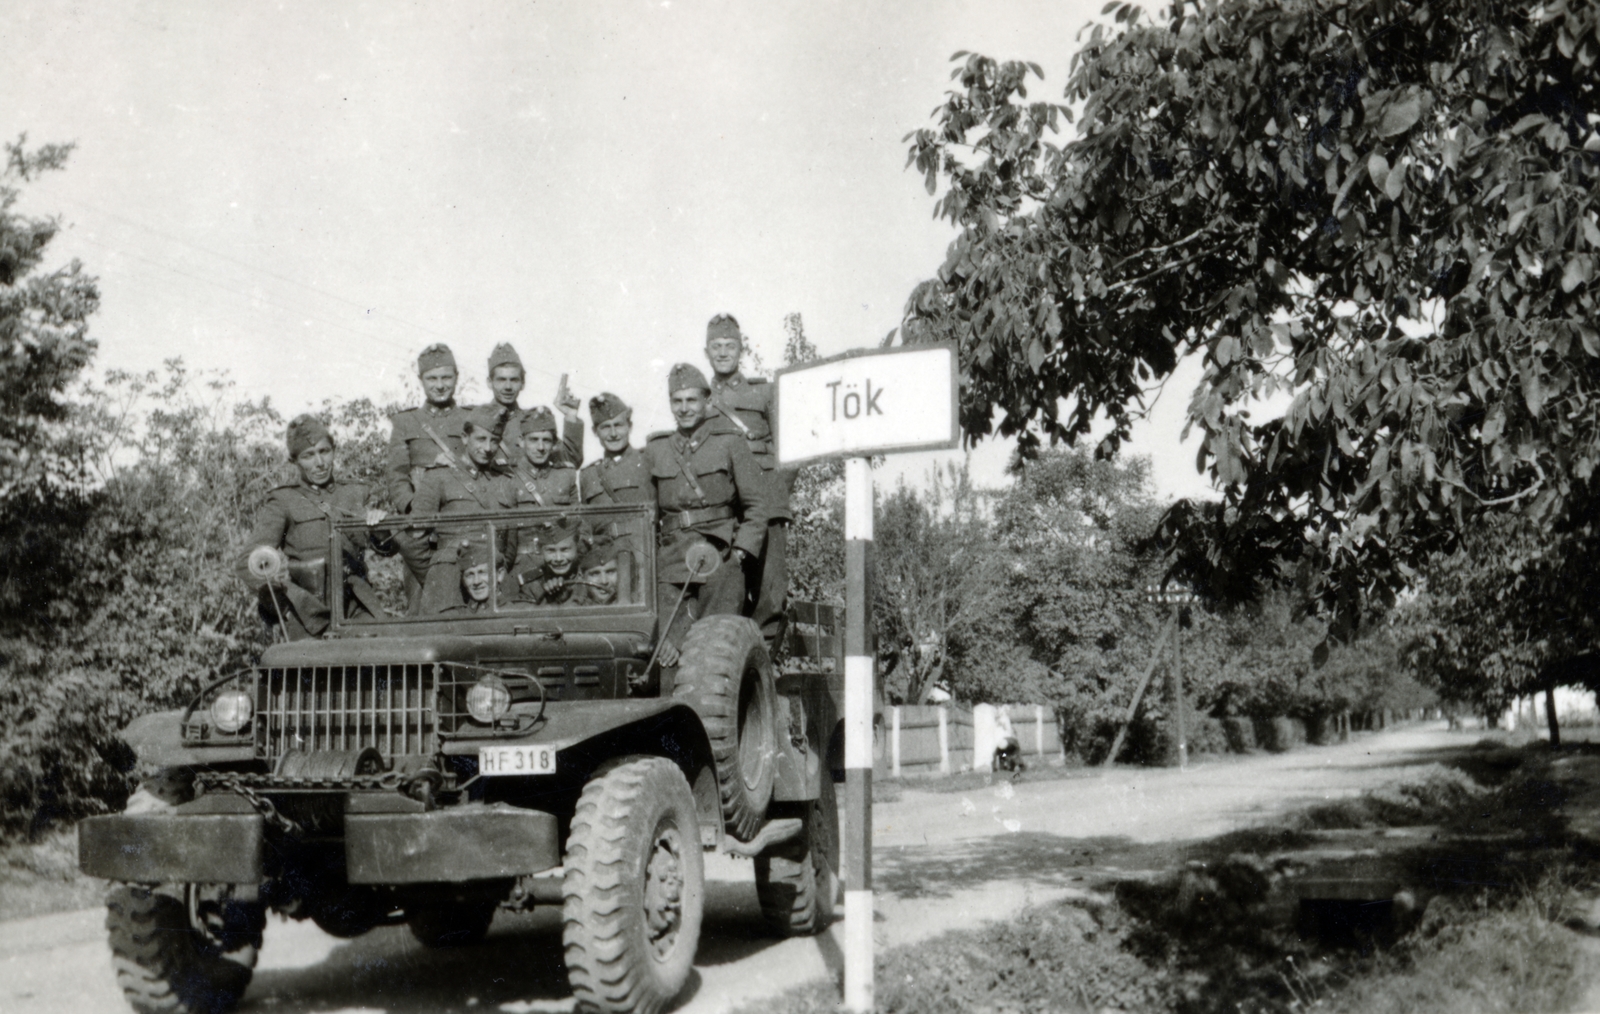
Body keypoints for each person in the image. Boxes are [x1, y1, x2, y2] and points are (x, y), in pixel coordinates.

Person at [645, 363, 773, 671]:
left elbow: (758, 504)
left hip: (721, 557)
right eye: (677, 401)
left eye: (692, 400)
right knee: (667, 652)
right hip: (671, 560)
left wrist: (741, 551)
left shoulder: (729, 442)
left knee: (716, 650)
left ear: (706, 401)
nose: (685, 408)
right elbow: (648, 514)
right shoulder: (656, 450)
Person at [237, 414, 388, 640]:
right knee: (305, 670)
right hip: (307, 614)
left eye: (324, 452)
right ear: (294, 461)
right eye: (308, 456)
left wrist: (380, 526)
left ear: (334, 450)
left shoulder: (355, 493)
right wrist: (285, 607)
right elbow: (248, 563)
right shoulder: (283, 501)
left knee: (386, 660)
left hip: (357, 608)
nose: (319, 463)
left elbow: (388, 547)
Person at [703, 314, 796, 649]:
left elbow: (790, 447)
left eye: (730, 346)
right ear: (706, 351)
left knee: (770, 589)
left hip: (766, 497)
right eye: (717, 346)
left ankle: (764, 660)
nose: (723, 352)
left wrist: (775, 494)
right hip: (725, 505)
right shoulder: (699, 398)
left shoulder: (764, 392)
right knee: (726, 585)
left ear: (741, 349)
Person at [412, 406, 517, 614]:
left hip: (495, 589)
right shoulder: (438, 477)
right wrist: (440, 572)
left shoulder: (505, 481)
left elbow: (510, 544)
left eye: (494, 440)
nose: (488, 448)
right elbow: (414, 541)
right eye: (481, 439)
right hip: (447, 587)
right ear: (464, 437)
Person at [481, 343, 584, 472]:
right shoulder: (474, 419)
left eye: (514, 380)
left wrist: (570, 415)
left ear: (522, 383)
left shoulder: (532, 420)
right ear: (489, 383)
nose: (508, 387)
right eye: (501, 380)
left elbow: (571, 460)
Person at [579, 392, 651, 505]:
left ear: (630, 426)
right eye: (606, 427)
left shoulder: (648, 461)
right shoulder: (588, 475)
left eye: (618, 425)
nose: (613, 433)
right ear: (595, 431)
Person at [508, 406, 580, 507]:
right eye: (533, 440)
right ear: (521, 442)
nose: (540, 447)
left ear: (554, 443)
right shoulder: (509, 476)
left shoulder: (566, 476)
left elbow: (575, 519)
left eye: (546, 440)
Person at [507, 515, 584, 605]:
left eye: (565, 549)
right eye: (550, 551)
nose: (558, 558)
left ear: (577, 547)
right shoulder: (532, 585)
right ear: (541, 551)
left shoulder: (590, 575)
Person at [439, 536, 496, 615]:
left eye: (482, 572)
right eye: (470, 575)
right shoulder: (454, 616)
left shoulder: (513, 610)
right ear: (463, 580)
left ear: (497, 575)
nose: (476, 581)